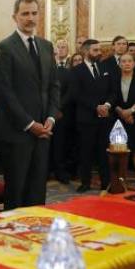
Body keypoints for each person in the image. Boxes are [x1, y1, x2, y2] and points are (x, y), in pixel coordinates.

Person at [0, 0, 60, 209]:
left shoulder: (46, 46)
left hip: (44, 132)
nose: (30, 18)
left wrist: (50, 117)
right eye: (25, 14)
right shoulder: (4, 48)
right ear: (15, 17)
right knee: (17, 190)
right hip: (17, 132)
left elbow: (53, 85)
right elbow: (5, 93)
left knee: (38, 189)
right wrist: (30, 125)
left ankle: (36, 231)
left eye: (34, 13)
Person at [71, 39, 112, 192]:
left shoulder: (105, 67)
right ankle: (85, 183)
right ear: (86, 52)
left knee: (103, 151)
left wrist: (106, 105)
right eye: (95, 50)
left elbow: (113, 91)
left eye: (99, 49)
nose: (99, 53)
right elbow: (76, 94)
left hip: (105, 117)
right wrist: (95, 107)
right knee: (85, 152)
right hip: (86, 118)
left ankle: (106, 182)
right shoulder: (77, 70)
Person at [110, 53, 135, 190]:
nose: (126, 63)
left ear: (134, 63)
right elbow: (111, 98)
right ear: (119, 64)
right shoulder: (114, 79)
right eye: (123, 61)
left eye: (129, 61)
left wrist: (131, 111)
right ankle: (121, 184)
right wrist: (121, 112)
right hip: (118, 120)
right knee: (120, 153)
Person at [51, 40, 74, 183]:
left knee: (61, 143)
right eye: (57, 48)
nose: (60, 50)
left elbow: (71, 92)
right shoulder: (47, 68)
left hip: (63, 113)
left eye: (63, 47)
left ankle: (60, 171)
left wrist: (58, 108)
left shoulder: (70, 69)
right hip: (48, 113)